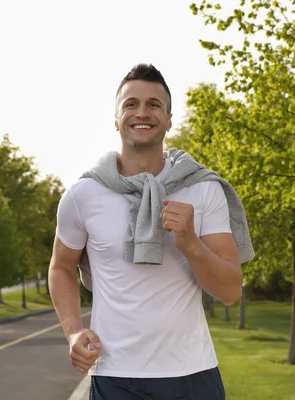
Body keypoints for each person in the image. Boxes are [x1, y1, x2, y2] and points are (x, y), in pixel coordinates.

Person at [48, 63, 254, 400]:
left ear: (169, 119)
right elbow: (60, 267)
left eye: (154, 104)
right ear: (116, 119)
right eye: (131, 104)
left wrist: (190, 243)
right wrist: (73, 332)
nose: (142, 112)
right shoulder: (83, 194)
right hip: (115, 376)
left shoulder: (203, 190)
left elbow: (230, 291)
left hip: (193, 374)